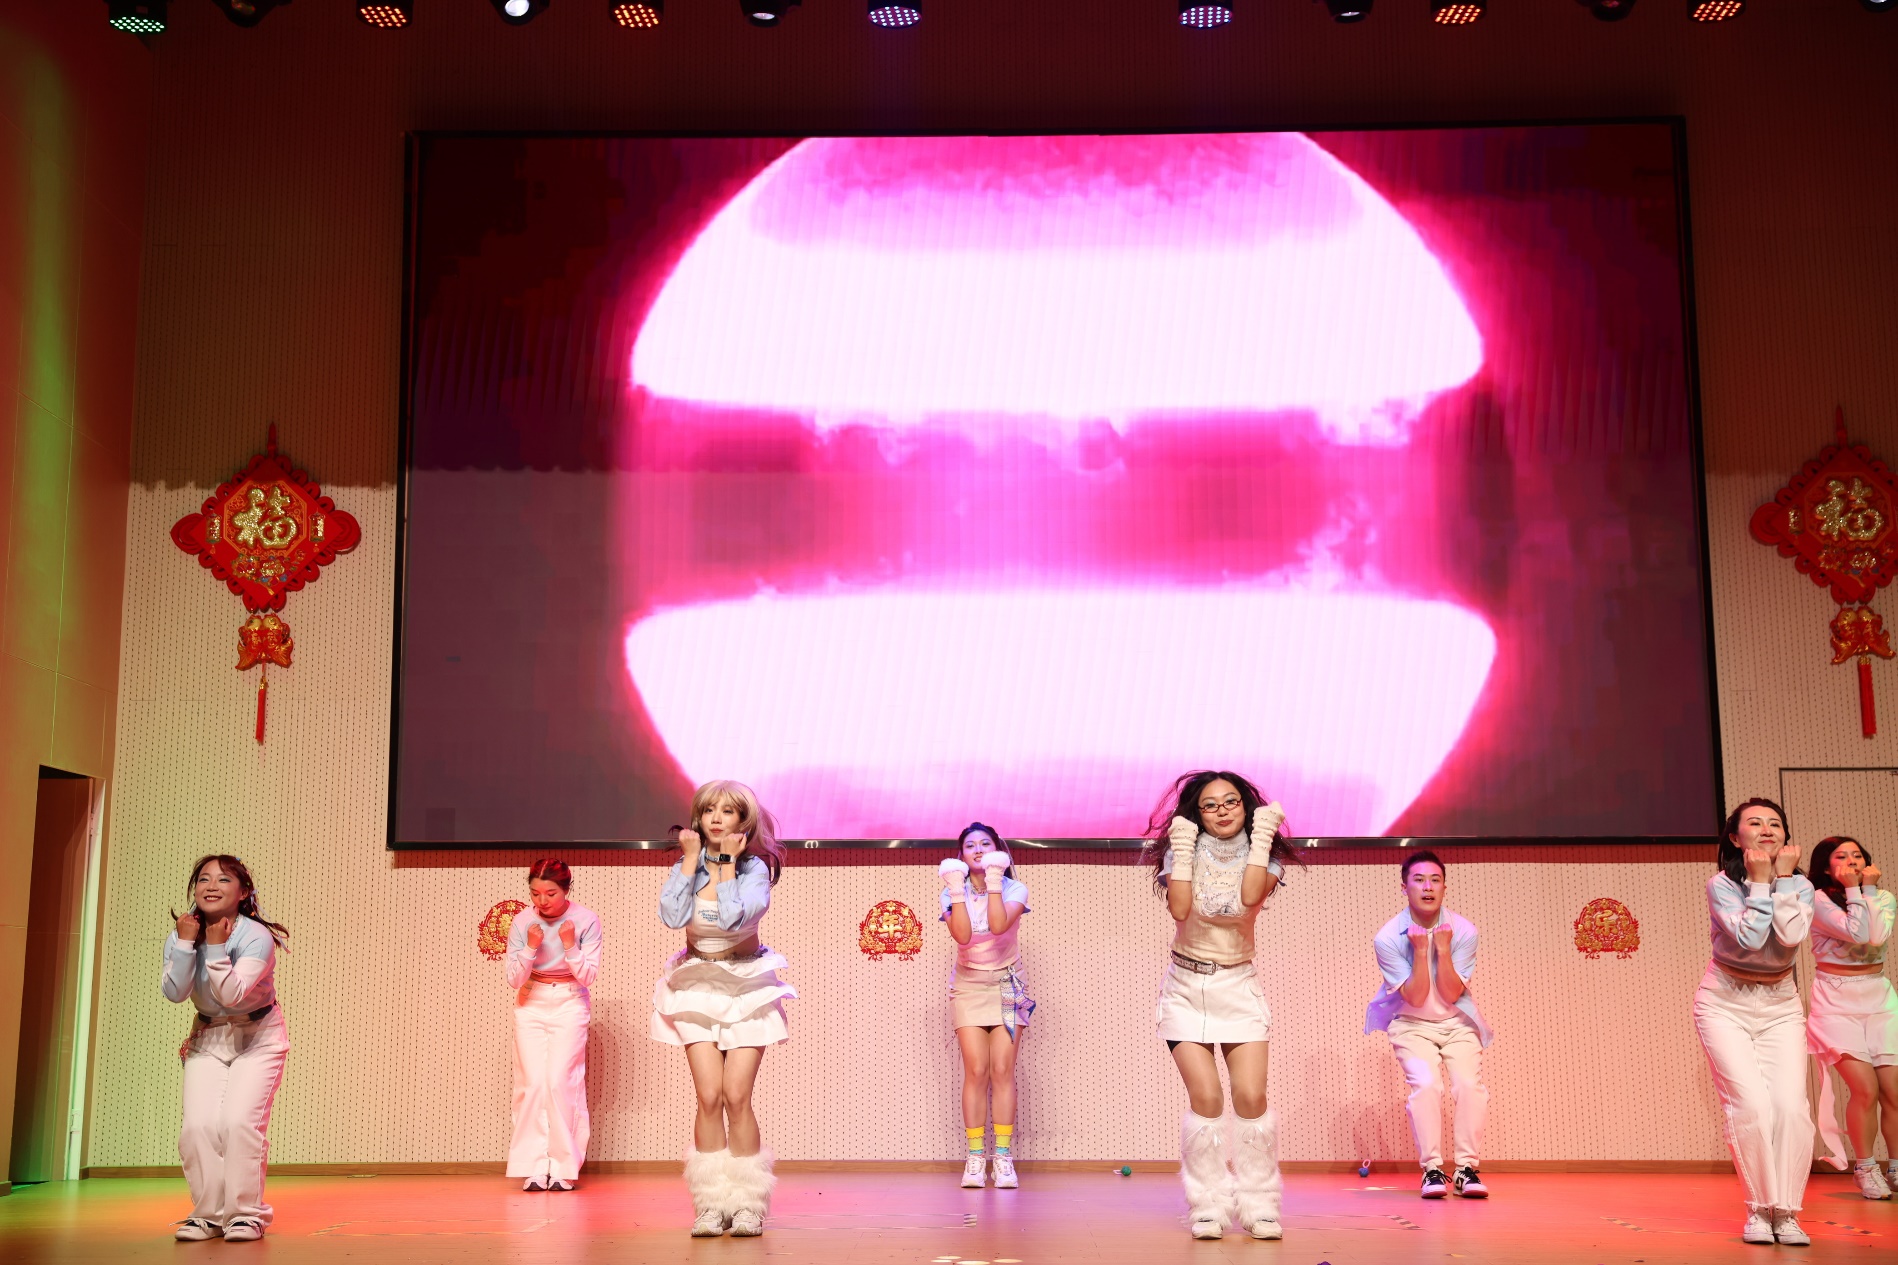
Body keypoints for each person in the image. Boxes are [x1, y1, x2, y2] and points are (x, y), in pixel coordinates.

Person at [1145, 769, 1297, 1241]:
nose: (1222, 811)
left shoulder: (1265, 857)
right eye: (1209, 805)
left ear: (1246, 807)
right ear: (1197, 814)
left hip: (1238, 986)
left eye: (1231, 801)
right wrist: (1183, 848)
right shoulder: (1181, 850)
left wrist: (1262, 836)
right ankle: (1207, 1204)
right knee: (1207, 1099)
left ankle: (1259, 1204)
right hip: (1186, 989)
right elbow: (1180, 909)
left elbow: (1248, 899)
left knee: (1251, 1098)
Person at [653, 780, 796, 1237]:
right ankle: (711, 1205)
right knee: (709, 1096)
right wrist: (690, 862)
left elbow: (736, 918)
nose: (717, 817)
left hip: (747, 985)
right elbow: (672, 917)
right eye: (709, 809)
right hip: (697, 985)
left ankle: (748, 1204)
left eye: (728, 811)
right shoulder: (687, 864)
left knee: (736, 1096)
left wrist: (727, 865)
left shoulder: (755, 870)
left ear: (743, 821)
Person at [1693, 797, 1814, 1246]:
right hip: (1724, 1002)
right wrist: (1761, 882)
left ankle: (1787, 1212)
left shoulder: (1801, 886)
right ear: (1735, 837)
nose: (1767, 830)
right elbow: (1749, 936)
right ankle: (1759, 1210)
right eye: (1756, 823)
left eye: (1775, 824)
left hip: (1781, 1003)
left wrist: (1782, 880)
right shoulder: (1722, 884)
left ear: (1786, 837)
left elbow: (1790, 935)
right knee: (1751, 1107)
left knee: (1791, 1108)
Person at [161, 855, 291, 1243]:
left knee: (238, 1124)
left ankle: (246, 1215)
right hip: (208, 1037)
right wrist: (186, 944)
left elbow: (232, 995)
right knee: (197, 1127)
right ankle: (208, 1216)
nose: (211, 886)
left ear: (244, 891)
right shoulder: (183, 932)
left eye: (223, 879)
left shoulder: (255, 936)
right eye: (203, 879)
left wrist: (216, 948)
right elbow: (175, 993)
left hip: (258, 1038)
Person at [1364, 850, 1493, 1200]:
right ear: (1404, 887)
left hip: (1458, 1023)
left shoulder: (1464, 930)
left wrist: (1444, 949)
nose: (1427, 887)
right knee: (1427, 1085)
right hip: (1411, 1024)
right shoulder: (1388, 937)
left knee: (1469, 1086)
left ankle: (1466, 1170)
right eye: (1419, 880)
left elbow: (1451, 993)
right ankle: (1432, 1170)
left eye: (1435, 880)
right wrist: (1421, 951)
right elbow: (1417, 997)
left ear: (1444, 888)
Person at [939, 822, 1033, 1189]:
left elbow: (997, 926)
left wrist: (994, 879)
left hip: (1008, 985)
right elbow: (963, 936)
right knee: (976, 1070)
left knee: (1002, 1069)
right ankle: (976, 1158)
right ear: (960, 856)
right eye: (970, 845)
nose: (978, 850)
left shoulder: (1014, 889)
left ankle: (1003, 1158)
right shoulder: (951, 891)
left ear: (999, 851)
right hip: (968, 987)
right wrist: (956, 888)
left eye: (985, 844)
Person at [1805, 835, 1898, 1198]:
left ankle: (1895, 1167)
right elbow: (1857, 932)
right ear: (1826, 867)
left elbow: (1877, 936)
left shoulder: (1883, 897)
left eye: (1857, 855)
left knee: (1893, 1092)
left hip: (1879, 999)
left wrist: (1868, 891)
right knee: (1865, 1089)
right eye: (1841, 857)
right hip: (1835, 1001)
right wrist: (1857, 891)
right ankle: (1865, 1167)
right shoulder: (1817, 899)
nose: (1852, 862)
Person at [503, 858, 603, 1191]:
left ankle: (563, 1168)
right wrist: (531, 947)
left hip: (569, 1001)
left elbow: (587, 976)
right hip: (531, 1001)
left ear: (566, 890)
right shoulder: (522, 921)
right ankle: (533, 1168)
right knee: (532, 1083)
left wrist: (570, 944)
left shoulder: (586, 920)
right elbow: (514, 979)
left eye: (550, 893)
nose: (542, 901)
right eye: (535, 893)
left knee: (561, 1082)